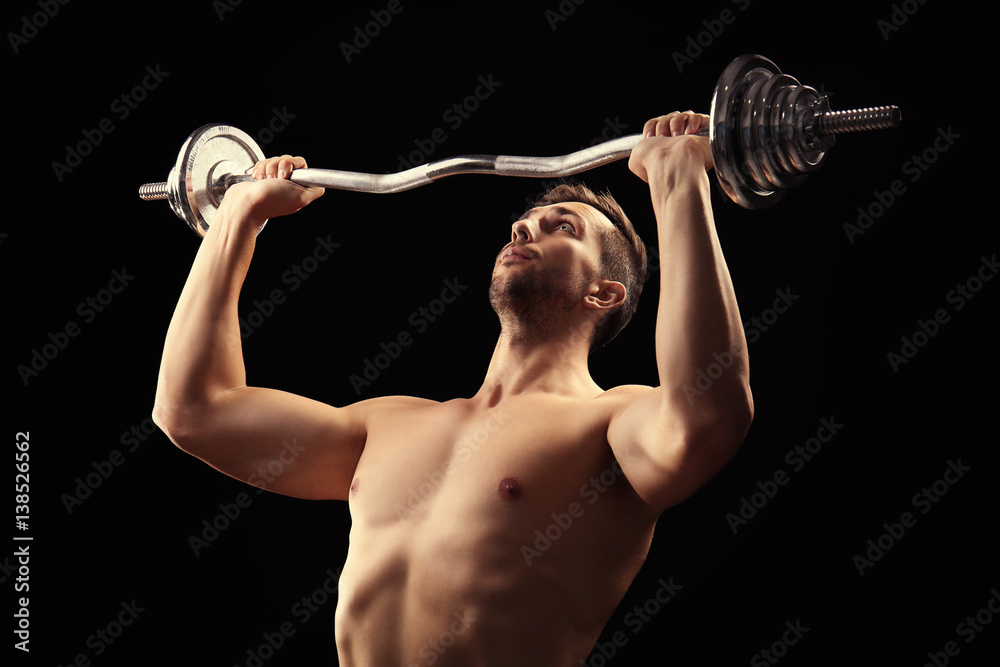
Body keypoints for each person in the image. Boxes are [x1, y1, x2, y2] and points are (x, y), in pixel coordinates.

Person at [153, 111, 753, 666]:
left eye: (560, 227)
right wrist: (236, 220)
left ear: (604, 293)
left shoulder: (609, 426)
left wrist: (678, 188)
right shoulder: (386, 424)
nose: (525, 230)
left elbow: (708, 411)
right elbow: (192, 410)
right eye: (522, 224)